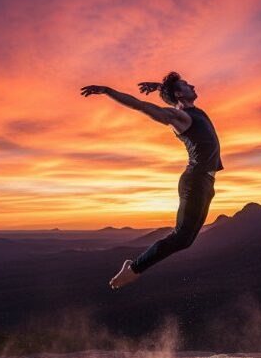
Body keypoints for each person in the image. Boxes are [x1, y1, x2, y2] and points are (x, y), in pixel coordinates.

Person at [80, 71, 224, 289]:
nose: (192, 85)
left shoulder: (193, 111)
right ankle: (132, 269)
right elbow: (140, 105)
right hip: (194, 181)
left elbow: (173, 93)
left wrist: (159, 87)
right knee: (180, 237)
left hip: (206, 182)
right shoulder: (180, 117)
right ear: (179, 93)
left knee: (186, 240)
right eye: (186, 84)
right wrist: (108, 91)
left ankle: (135, 267)